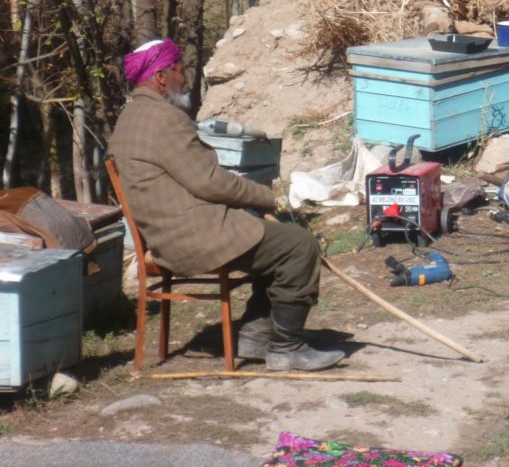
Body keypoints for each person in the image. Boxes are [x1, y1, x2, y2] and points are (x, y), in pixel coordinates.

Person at [107, 38, 345, 372]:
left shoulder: (129, 118)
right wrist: (269, 197)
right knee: (299, 245)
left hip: (165, 233)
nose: (184, 78)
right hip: (191, 236)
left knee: (274, 237)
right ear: (162, 76)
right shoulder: (165, 119)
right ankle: (286, 347)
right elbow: (210, 182)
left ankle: (255, 335)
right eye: (180, 70)